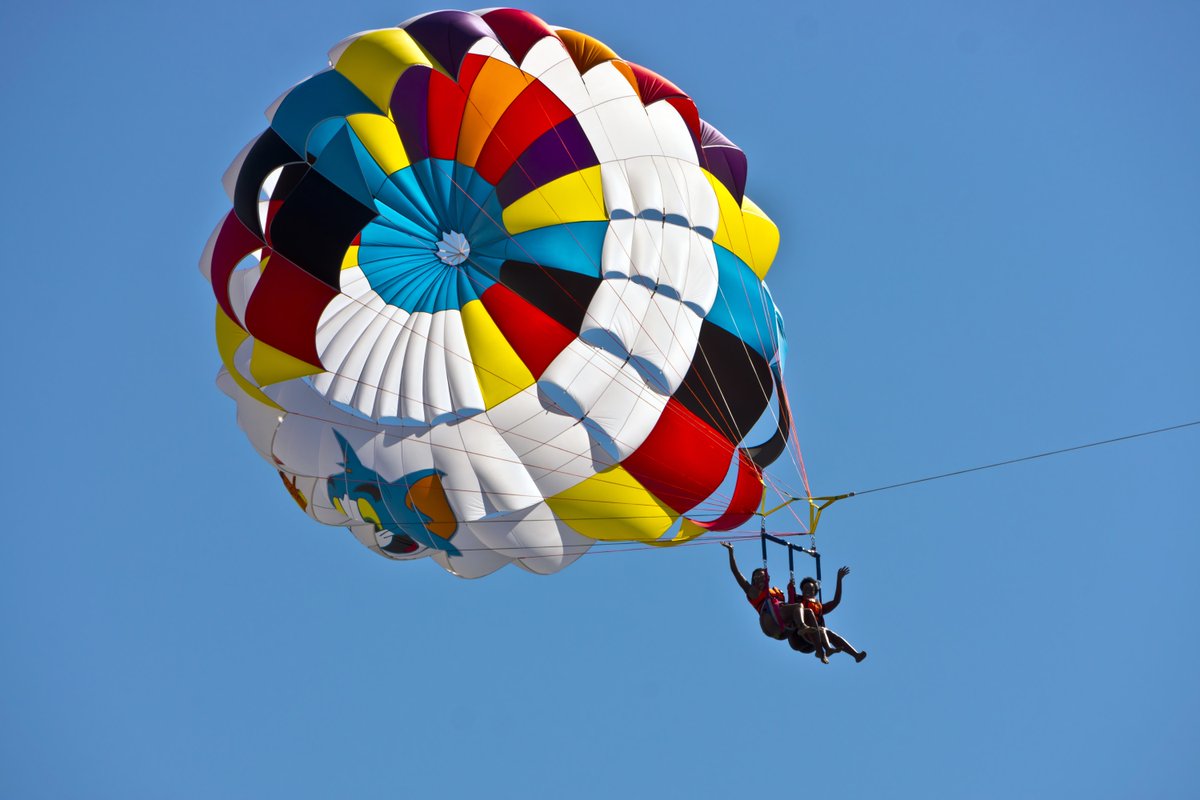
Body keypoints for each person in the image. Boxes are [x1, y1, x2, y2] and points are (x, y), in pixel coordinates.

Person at [721, 542, 866, 664]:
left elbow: (835, 602)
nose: (759, 578)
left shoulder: (813, 605)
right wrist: (731, 552)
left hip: (801, 635)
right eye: (756, 577)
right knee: (801, 608)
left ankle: (829, 653)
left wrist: (839, 580)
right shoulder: (756, 593)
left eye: (762, 576)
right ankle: (806, 630)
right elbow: (736, 574)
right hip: (785, 630)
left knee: (819, 624)